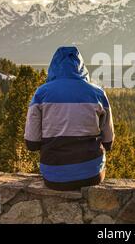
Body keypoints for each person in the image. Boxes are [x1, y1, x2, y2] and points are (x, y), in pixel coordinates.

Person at [24, 46, 114, 191]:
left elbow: (32, 143)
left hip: (54, 175)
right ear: (82, 67)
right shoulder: (97, 93)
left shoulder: (41, 93)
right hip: (91, 174)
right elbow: (109, 141)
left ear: (53, 67)